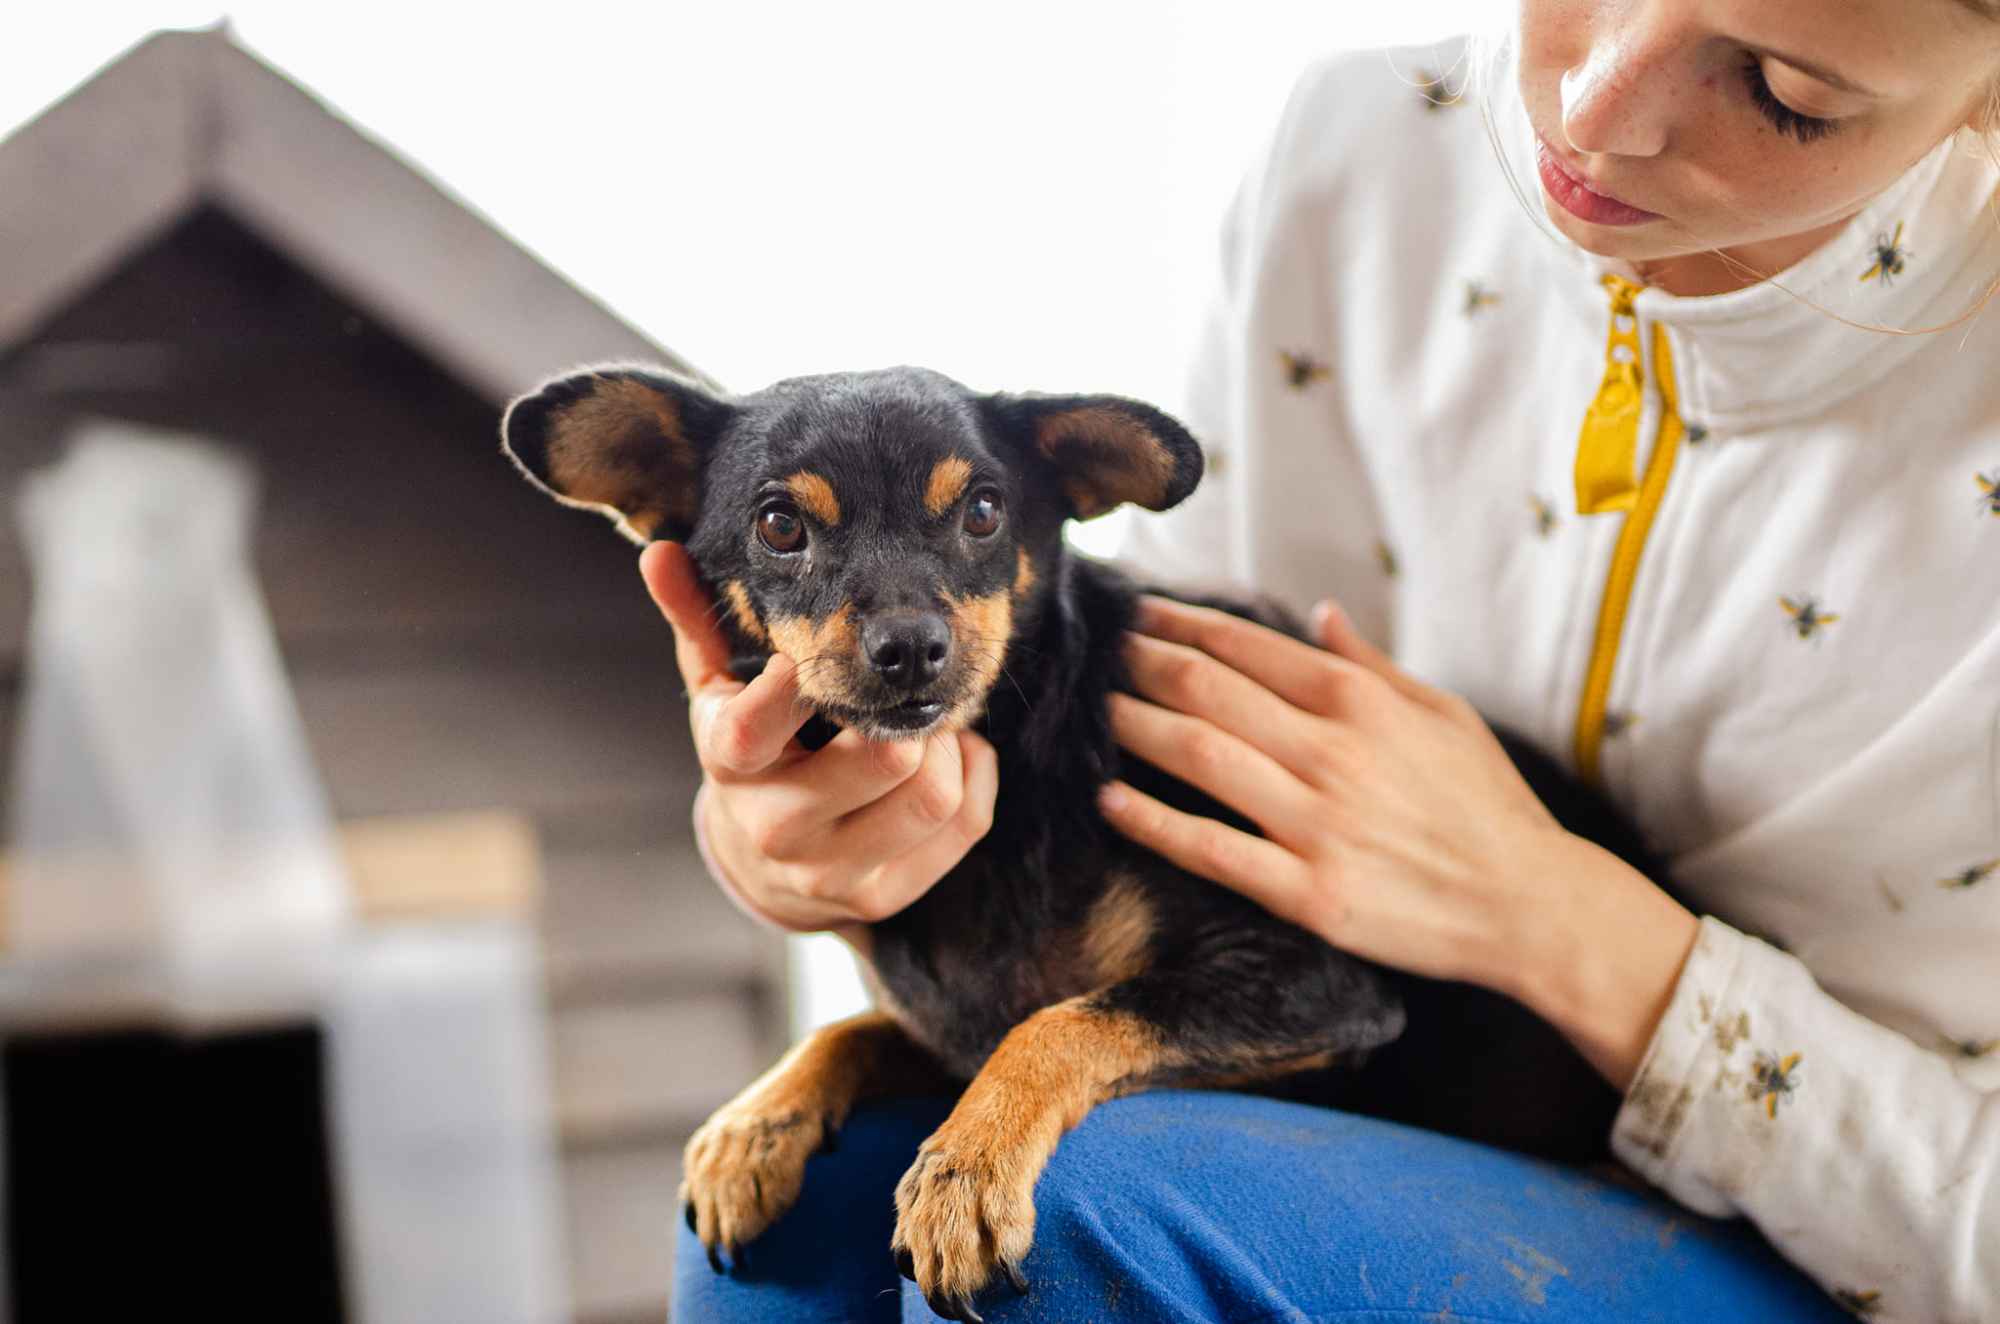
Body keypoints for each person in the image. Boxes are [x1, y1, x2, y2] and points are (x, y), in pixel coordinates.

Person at [667, 1, 2000, 1318]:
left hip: (1829, 1245)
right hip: (1331, 1088)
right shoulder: (1364, 146)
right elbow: (1147, 734)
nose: (1592, 110)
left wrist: (1559, 921)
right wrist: (788, 833)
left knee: (1090, 1215)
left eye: (1781, 87)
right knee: (807, 1202)